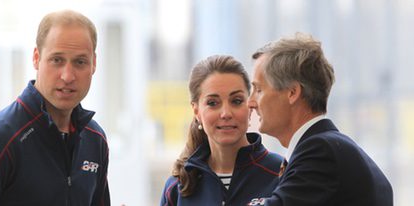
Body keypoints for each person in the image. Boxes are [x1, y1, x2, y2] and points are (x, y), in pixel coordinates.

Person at [0, 10, 110, 206]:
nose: (67, 76)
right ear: (36, 58)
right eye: (57, 60)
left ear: (94, 64)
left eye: (80, 62)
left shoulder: (95, 139)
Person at [246, 33, 393, 206]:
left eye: (259, 90)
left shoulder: (320, 152)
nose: (251, 102)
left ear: (292, 92)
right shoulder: (329, 148)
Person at [160, 55, 283, 206]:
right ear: (196, 111)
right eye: (213, 103)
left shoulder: (282, 175)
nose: (226, 113)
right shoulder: (177, 186)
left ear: (250, 106)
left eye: (236, 101)